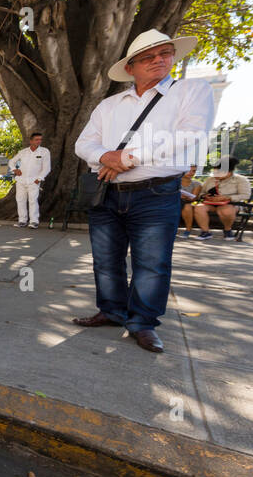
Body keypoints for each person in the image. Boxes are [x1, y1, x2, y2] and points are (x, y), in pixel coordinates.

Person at [71, 29, 216, 353]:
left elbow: (189, 134)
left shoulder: (190, 91)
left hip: (155, 193)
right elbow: (84, 143)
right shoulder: (109, 105)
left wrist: (127, 157)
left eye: (164, 53)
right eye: (148, 57)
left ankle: (142, 323)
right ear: (131, 67)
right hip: (107, 191)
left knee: (152, 262)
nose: (158, 61)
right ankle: (111, 311)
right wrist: (105, 157)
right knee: (105, 260)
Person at [193, 158, 252, 240]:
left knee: (225, 210)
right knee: (199, 207)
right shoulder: (210, 180)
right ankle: (205, 232)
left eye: (218, 173)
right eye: (214, 172)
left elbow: (246, 195)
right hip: (211, 204)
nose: (215, 175)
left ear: (229, 172)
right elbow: (201, 193)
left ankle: (227, 230)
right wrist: (205, 196)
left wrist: (227, 197)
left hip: (231, 204)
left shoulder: (241, 180)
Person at [8, 131, 51, 228]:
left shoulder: (44, 152)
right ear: (31, 141)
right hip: (21, 180)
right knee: (20, 200)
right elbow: (11, 161)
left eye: (40, 139)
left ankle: (34, 221)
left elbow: (47, 168)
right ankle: (22, 221)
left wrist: (39, 179)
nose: (39, 141)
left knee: (33, 200)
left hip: (34, 181)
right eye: (36, 140)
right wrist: (15, 169)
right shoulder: (23, 152)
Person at [177, 165, 202, 236]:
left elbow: (193, 197)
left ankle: (188, 229)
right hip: (176, 200)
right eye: (188, 170)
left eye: (193, 171)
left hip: (190, 202)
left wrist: (183, 196)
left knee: (187, 207)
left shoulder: (196, 184)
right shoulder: (175, 182)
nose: (191, 173)